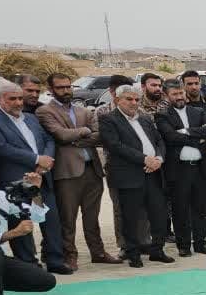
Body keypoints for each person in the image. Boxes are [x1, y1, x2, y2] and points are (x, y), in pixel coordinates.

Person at [0, 84, 69, 274]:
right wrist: (37, 159)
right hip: (15, 182)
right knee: (20, 222)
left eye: (20, 98)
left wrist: (46, 161)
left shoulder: (31, 118)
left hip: (42, 177)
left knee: (51, 219)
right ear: (0, 100)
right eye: (11, 99)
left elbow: (48, 140)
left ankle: (55, 260)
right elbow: (2, 148)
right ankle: (28, 264)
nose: (17, 103)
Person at [36, 73, 122, 267]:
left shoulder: (82, 110)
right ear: (51, 90)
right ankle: (70, 255)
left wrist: (75, 138)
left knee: (92, 217)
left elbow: (100, 136)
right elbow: (60, 135)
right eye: (60, 88)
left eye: (68, 87)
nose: (66, 91)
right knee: (68, 218)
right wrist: (84, 132)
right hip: (67, 173)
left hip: (92, 169)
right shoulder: (45, 111)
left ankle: (98, 252)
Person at [98, 84, 174, 267]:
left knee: (158, 214)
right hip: (129, 176)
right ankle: (133, 254)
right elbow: (115, 146)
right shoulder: (109, 119)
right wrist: (144, 160)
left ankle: (157, 250)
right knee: (130, 217)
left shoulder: (145, 119)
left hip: (153, 174)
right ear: (117, 100)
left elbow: (158, 141)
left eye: (136, 99)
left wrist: (159, 159)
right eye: (129, 99)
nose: (133, 103)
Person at [0, 162, 54, 295]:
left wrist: (35, 191)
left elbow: (37, 217)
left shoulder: (0, 196)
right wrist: (13, 233)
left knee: (47, 281)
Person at [155, 79, 206, 257]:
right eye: (175, 94)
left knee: (200, 208)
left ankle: (200, 243)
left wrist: (186, 131)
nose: (179, 97)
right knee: (180, 209)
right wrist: (197, 138)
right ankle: (184, 245)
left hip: (200, 168)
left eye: (181, 93)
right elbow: (171, 137)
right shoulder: (163, 115)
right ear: (166, 96)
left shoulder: (198, 111)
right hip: (179, 171)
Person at [94, 75, 136, 251]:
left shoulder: (139, 112)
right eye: (127, 96)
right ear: (113, 93)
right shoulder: (103, 113)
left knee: (140, 208)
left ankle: (141, 242)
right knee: (120, 208)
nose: (132, 100)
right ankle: (123, 245)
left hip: (140, 166)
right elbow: (101, 138)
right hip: (116, 166)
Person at [181, 70, 206, 219]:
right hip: (194, 154)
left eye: (196, 83)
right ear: (184, 86)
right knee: (197, 193)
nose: (194, 87)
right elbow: (186, 131)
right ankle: (198, 225)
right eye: (189, 84)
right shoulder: (182, 105)